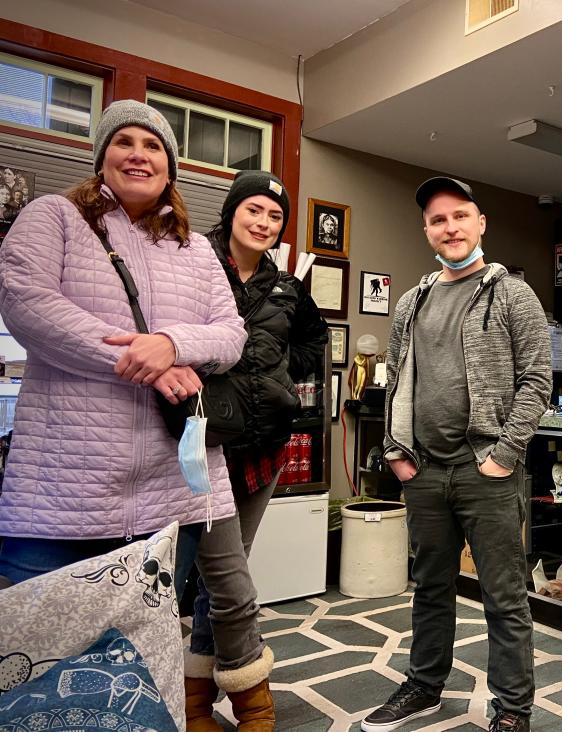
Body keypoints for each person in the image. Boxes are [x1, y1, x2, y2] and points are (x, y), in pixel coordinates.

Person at [0, 100, 246, 594]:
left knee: (143, 657)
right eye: (124, 142)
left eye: (153, 146)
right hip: (61, 495)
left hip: (172, 494)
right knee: (44, 657)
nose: (139, 155)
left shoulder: (195, 248)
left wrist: (171, 344)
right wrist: (144, 362)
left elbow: (231, 333)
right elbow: (26, 302)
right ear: (102, 157)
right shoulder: (55, 217)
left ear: (169, 167)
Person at [362, 177, 551, 732]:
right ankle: (424, 687)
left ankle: (512, 710)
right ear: (427, 232)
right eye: (439, 220)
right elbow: (396, 378)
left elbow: (537, 382)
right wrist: (397, 454)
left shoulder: (513, 294)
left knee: (504, 598)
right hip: (423, 471)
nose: (451, 228)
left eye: (460, 216)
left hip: (485, 471)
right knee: (431, 589)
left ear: (480, 223)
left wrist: (504, 454)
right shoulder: (411, 301)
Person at [183, 170, 328, 731]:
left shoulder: (287, 286)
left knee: (222, 574)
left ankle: (197, 695)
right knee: (227, 577)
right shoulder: (196, 264)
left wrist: (279, 376)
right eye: (255, 210)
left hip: (265, 446)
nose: (264, 222)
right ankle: (250, 700)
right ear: (231, 210)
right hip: (205, 443)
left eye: (275, 216)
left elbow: (315, 339)